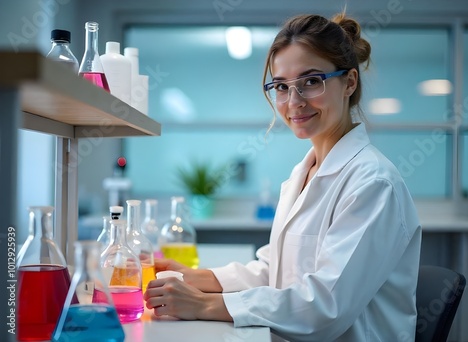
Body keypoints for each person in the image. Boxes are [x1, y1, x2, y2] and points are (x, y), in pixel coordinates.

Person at [144, 11, 422, 342]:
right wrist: (197, 278)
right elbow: (276, 271)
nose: (293, 102)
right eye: (280, 86)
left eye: (311, 81)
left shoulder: (374, 184)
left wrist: (204, 305)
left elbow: (324, 307)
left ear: (349, 82)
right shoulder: (303, 174)